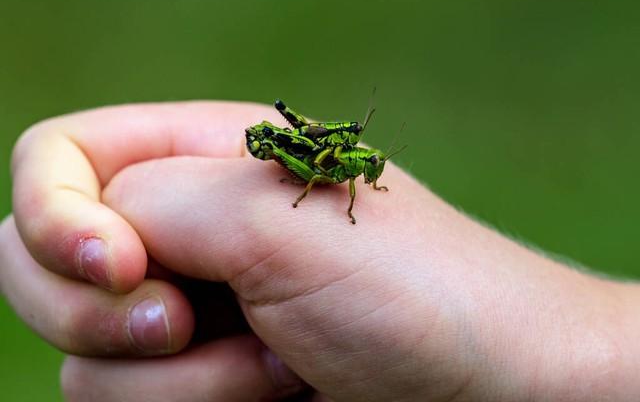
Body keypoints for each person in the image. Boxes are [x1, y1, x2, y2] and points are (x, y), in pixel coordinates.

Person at [1, 102, 636, 401]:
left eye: (372, 163)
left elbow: (351, 185)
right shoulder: (335, 157)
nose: (370, 166)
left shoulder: (358, 169)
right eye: (371, 162)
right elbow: (330, 169)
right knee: (310, 159)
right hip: (298, 149)